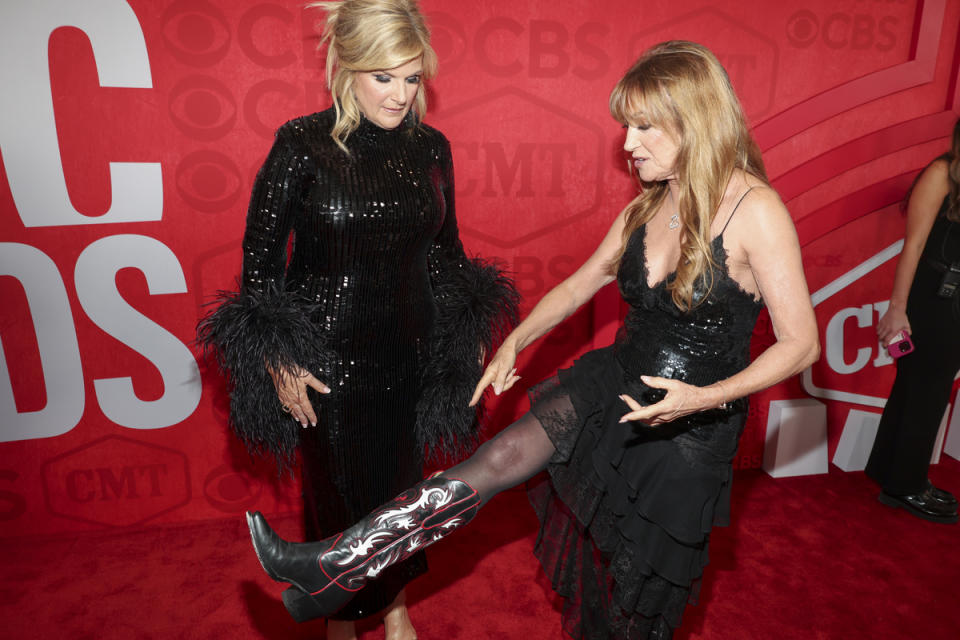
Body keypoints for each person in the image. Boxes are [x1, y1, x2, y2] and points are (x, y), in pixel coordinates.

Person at [244, 40, 820, 639]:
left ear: (695, 122)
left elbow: (800, 344)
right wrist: (515, 340)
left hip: (690, 425)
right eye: (627, 126)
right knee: (493, 461)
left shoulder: (757, 211)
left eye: (645, 127)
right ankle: (333, 564)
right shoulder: (648, 207)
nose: (627, 144)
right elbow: (576, 288)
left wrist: (702, 398)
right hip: (617, 381)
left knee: (639, 593)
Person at [198, 1, 518, 638]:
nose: (400, 95)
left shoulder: (431, 147)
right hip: (327, 357)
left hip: (410, 351)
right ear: (345, 67)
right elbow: (260, 266)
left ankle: (394, 607)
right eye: (383, 77)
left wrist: (470, 347)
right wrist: (279, 360)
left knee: (399, 493)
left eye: (412, 78)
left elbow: (446, 255)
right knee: (338, 493)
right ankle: (339, 618)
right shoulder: (301, 144)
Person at [866, 119, 960, 525]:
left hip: (954, 303)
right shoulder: (943, 172)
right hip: (930, 301)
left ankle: (888, 471)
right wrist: (897, 308)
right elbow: (914, 245)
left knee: (914, 388)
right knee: (929, 392)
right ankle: (906, 486)